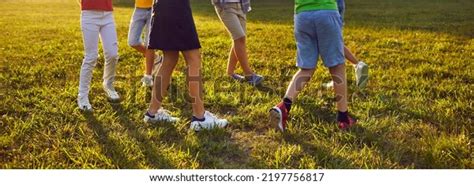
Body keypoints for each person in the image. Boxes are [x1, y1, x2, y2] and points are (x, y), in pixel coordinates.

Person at [269, 0, 357, 131]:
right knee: (337, 67)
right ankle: (343, 118)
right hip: (326, 12)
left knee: (306, 69)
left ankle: (284, 106)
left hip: (302, 15)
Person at [143, 0, 228, 131]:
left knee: (169, 59)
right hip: (177, 7)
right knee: (193, 58)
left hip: (161, 6)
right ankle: (200, 117)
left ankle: (152, 113)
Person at [77, 0, 120, 111]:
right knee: (91, 57)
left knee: (113, 54)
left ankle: (108, 85)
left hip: (108, 15)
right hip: (89, 15)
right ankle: (82, 97)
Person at [212, 0, 263, 85]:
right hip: (225, 6)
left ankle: (230, 73)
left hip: (241, 5)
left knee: (239, 40)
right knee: (240, 38)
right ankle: (249, 75)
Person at [323, 0, 369, 89]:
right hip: (338, 4)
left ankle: (339, 78)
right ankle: (357, 65)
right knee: (334, 41)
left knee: (331, 43)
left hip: (327, 6)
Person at [128, 0, 163, 87]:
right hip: (139, 8)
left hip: (154, 8)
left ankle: (148, 77)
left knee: (149, 43)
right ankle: (156, 58)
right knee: (132, 41)